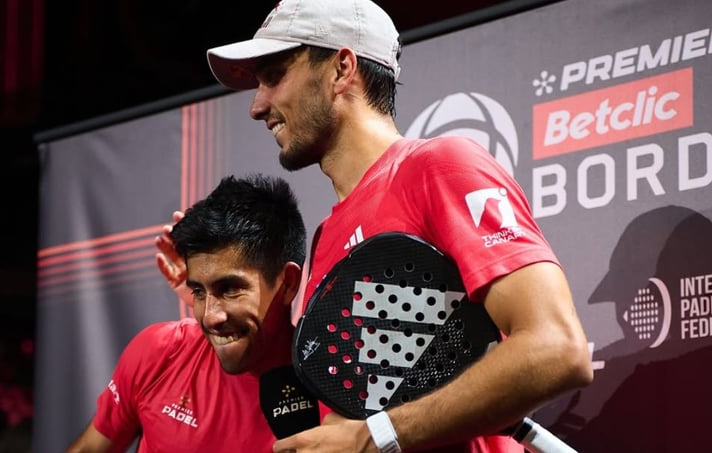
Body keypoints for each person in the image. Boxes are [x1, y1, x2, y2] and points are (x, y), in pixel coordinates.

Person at [196, 0, 595, 451]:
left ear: (341, 69)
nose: (257, 106)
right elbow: (360, 419)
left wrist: (374, 437)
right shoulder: (326, 237)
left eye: (274, 76)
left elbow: (557, 349)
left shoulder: (440, 166)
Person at [66, 174, 307, 452]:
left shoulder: (326, 391)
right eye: (199, 291)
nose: (210, 317)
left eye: (230, 289)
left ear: (288, 283)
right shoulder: (160, 352)